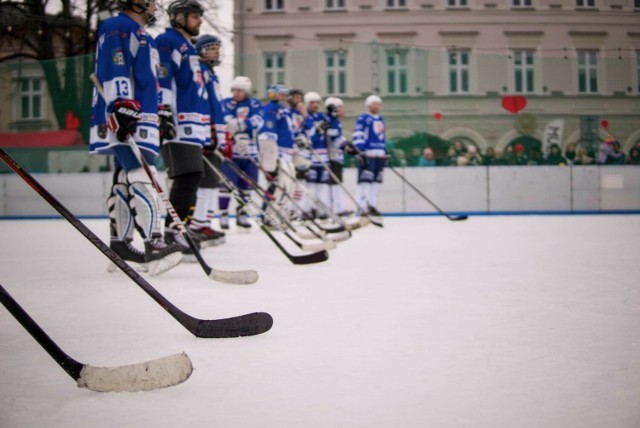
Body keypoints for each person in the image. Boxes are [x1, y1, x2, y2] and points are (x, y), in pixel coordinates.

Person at [89, 0, 182, 275]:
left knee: (125, 176)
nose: (155, 4)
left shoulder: (144, 35)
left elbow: (147, 79)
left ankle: (121, 246)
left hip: (143, 114)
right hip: (130, 113)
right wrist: (121, 105)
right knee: (143, 174)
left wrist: (161, 111)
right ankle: (155, 244)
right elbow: (115, 66)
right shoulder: (119, 25)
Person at [157, 0, 208, 259]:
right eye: (194, 16)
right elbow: (162, 75)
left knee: (193, 176)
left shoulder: (188, 46)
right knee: (187, 176)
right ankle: (172, 232)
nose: (199, 21)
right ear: (178, 17)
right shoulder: (168, 42)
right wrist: (163, 108)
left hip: (192, 123)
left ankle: (179, 229)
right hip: (177, 122)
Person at [187, 34, 226, 247]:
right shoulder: (200, 71)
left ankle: (206, 222)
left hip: (214, 134)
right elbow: (203, 105)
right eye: (211, 47)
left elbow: (216, 107)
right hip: (204, 134)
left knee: (213, 183)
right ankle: (196, 225)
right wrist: (207, 131)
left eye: (217, 48)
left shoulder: (212, 73)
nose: (216, 51)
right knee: (204, 183)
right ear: (201, 50)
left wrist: (222, 134)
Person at [220, 76, 264, 229]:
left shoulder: (254, 103)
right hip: (230, 152)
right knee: (226, 185)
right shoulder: (225, 103)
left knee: (247, 186)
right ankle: (224, 215)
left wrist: (240, 124)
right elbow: (223, 122)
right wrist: (235, 125)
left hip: (250, 152)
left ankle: (242, 214)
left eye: (240, 90)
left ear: (246, 91)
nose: (237, 93)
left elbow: (258, 121)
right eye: (235, 90)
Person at [352, 94, 387, 217]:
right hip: (368, 153)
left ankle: (372, 205)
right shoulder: (364, 118)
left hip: (379, 154)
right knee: (365, 181)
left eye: (378, 104)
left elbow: (382, 136)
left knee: (376, 181)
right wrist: (360, 150)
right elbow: (358, 133)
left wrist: (385, 151)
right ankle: (361, 207)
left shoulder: (381, 119)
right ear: (369, 105)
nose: (377, 106)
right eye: (374, 104)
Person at [302, 91, 331, 219]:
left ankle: (318, 208)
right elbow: (309, 137)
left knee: (321, 185)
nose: (315, 105)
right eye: (312, 102)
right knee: (310, 184)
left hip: (323, 156)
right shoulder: (305, 117)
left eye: (317, 102)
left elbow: (332, 133)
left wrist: (333, 116)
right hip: (310, 156)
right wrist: (318, 130)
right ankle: (307, 209)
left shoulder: (322, 117)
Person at [324, 96, 351, 214]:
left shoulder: (337, 121)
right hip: (332, 156)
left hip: (337, 156)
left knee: (337, 182)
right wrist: (346, 146)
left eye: (341, 107)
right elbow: (334, 137)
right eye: (338, 107)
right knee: (334, 183)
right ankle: (335, 208)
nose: (341, 110)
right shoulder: (330, 120)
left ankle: (339, 208)